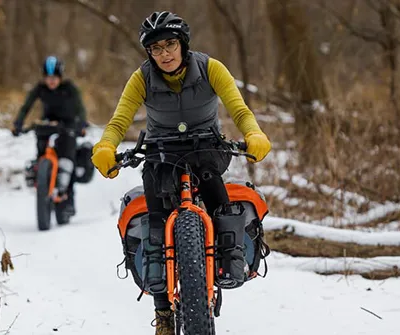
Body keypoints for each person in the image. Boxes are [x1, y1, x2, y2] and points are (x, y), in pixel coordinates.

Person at [90, 11, 271, 334]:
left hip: (206, 146)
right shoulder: (141, 78)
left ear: (183, 44)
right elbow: (118, 122)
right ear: (149, 53)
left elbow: (240, 110)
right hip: (161, 151)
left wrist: (254, 133)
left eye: (170, 45)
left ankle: (227, 259)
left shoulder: (210, 68)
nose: (164, 54)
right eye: (155, 48)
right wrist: (106, 146)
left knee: (214, 190)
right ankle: (163, 312)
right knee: (157, 217)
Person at [12, 55, 88, 221]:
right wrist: (18, 124)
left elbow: (80, 108)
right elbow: (26, 106)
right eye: (48, 78)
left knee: (68, 159)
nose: (51, 81)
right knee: (40, 153)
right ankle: (41, 181)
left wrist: (82, 124)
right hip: (47, 124)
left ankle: (68, 201)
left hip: (67, 126)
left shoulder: (69, 88)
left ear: (60, 77)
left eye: (54, 78)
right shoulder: (40, 89)